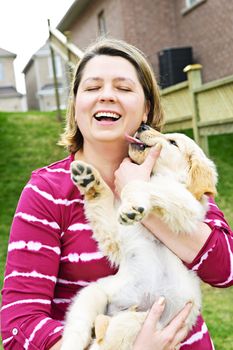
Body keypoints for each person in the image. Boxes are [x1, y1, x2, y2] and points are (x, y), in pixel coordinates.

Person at [1, 38, 232, 350]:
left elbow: (225, 269)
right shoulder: (47, 191)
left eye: (123, 88)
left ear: (146, 107)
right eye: (93, 87)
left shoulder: (173, 173)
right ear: (76, 104)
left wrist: (139, 197)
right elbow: (19, 324)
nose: (107, 95)